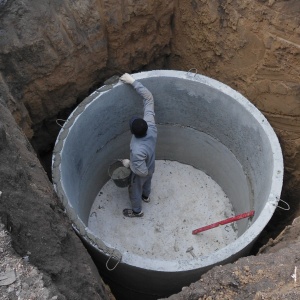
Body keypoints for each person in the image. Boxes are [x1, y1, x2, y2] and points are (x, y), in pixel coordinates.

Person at [120, 73, 157, 218]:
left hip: (141, 169)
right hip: (151, 163)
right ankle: (146, 196)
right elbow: (149, 98)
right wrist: (133, 82)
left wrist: (130, 165)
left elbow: (141, 172)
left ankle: (137, 211)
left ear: (132, 132)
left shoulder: (136, 150)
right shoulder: (151, 126)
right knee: (148, 180)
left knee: (135, 189)